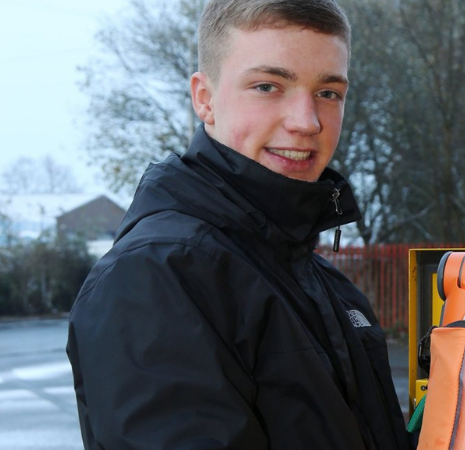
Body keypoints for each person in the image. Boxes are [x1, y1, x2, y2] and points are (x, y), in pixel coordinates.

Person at [66, 1, 409, 448]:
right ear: (204, 98)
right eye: (268, 86)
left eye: (328, 93)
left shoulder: (319, 280)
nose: (306, 122)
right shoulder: (156, 276)